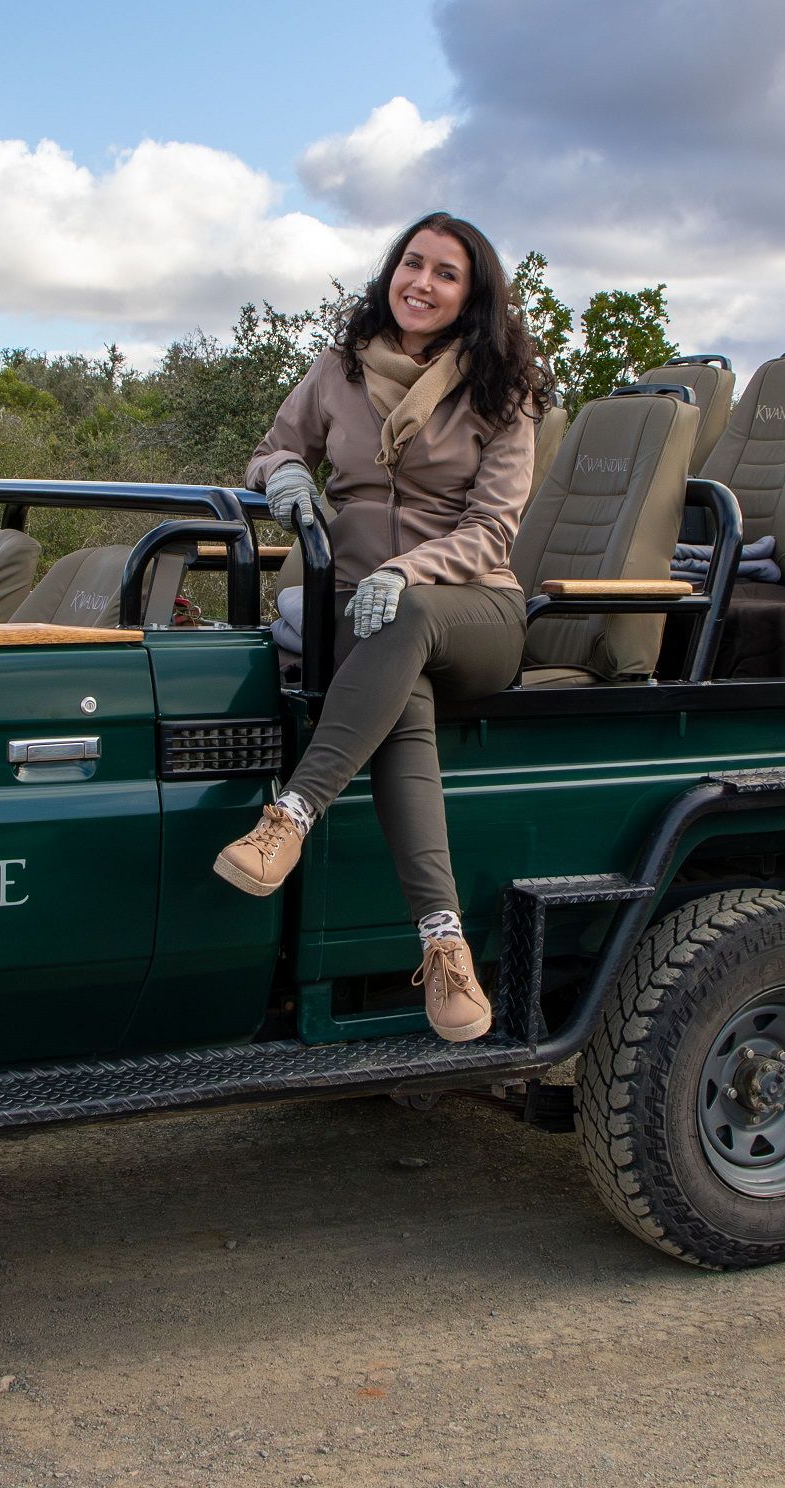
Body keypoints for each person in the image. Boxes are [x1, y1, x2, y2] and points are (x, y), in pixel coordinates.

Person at [215, 212, 544, 1042]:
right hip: (363, 615)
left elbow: (494, 531)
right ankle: (445, 946)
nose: (422, 284)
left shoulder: (503, 390)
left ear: (473, 296)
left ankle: (289, 818)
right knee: (405, 705)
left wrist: (407, 569)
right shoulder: (337, 370)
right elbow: (269, 448)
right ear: (391, 271)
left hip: (471, 607)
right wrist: (287, 472)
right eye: (413, 264)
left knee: (411, 618)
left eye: (445, 273)